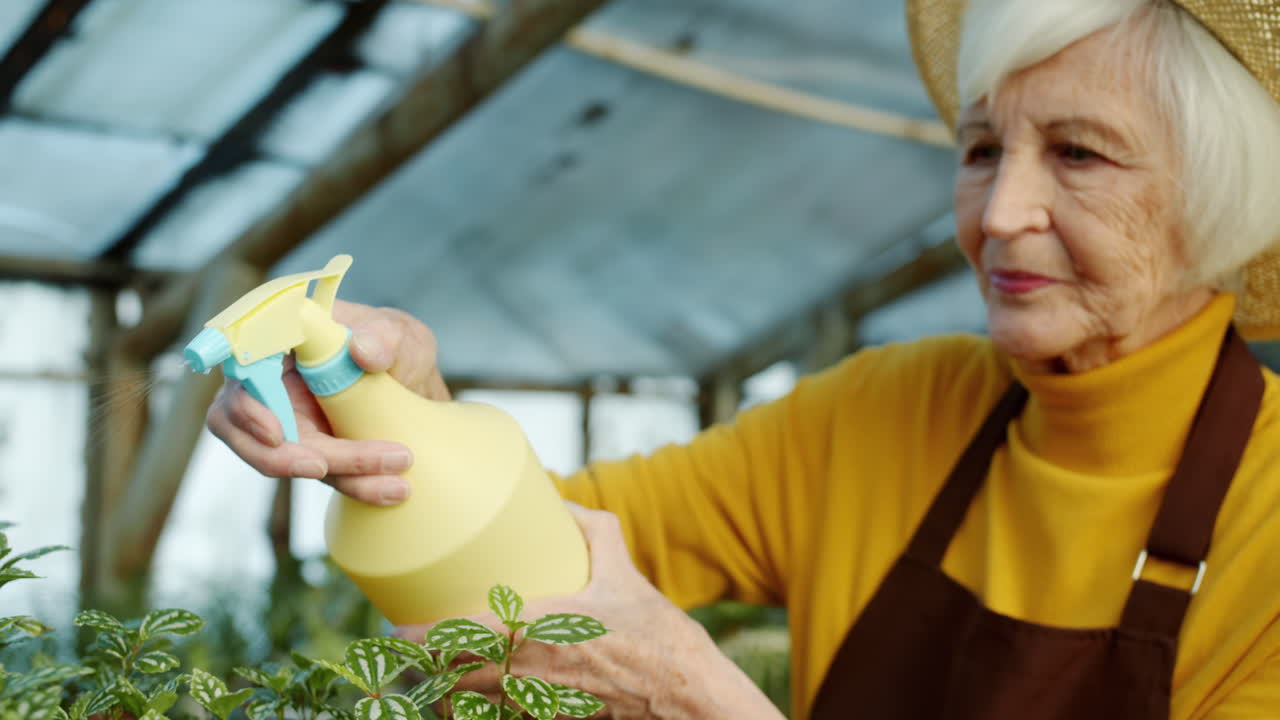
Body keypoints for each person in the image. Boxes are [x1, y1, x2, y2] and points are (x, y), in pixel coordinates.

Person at [207, 0, 1280, 717]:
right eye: (982, 147)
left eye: (1078, 154)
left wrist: (695, 698)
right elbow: (543, 568)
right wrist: (404, 416)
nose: (999, 213)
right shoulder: (885, 412)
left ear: (1216, 196)